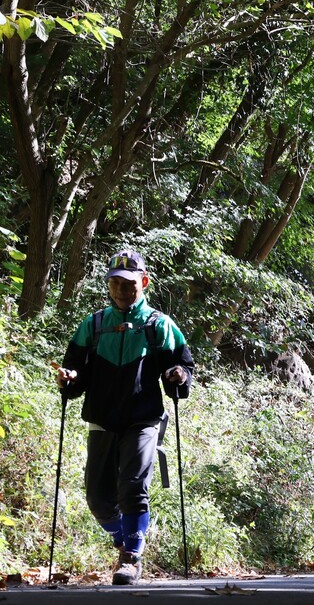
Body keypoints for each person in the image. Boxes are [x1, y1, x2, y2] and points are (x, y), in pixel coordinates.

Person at [54, 250, 194, 585]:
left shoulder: (159, 325)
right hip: (102, 418)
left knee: (132, 486)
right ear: (109, 284)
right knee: (98, 499)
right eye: (116, 282)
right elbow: (75, 368)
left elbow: (183, 365)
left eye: (129, 283)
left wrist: (178, 375)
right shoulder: (95, 324)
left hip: (142, 419)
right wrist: (69, 378)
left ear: (143, 283)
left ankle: (131, 556)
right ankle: (124, 539)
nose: (122, 289)